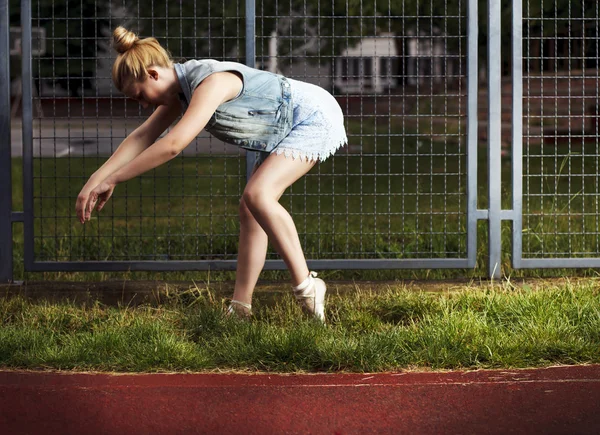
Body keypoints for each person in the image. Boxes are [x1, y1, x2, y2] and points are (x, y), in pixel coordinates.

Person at [75, 26, 347, 323]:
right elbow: (142, 137)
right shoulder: (178, 93)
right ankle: (241, 308)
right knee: (251, 207)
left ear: (153, 74)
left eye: (140, 95)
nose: (142, 105)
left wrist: (115, 179)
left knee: (259, 195)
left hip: (312, 115)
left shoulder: (210, 81)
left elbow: (173, 145)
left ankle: (308, 287)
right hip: (284, 128)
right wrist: (94, 181)